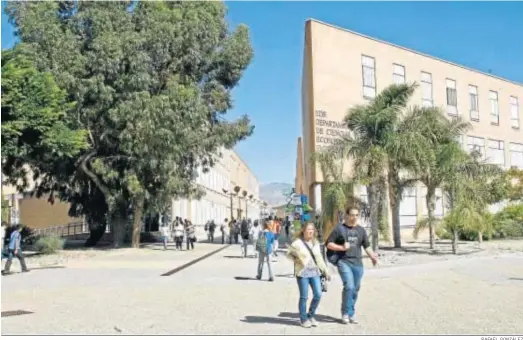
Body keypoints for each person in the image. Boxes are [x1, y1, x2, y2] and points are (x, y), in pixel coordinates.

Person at [325, 206, 378, 325]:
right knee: (349, 286)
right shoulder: (339, 229)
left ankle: (351, 312)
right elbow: (328, 244)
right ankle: (345, 313)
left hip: (358, 263)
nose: (354, 217)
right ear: (347, 216)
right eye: (352, 215)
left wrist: (372, 256)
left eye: (356, 215)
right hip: (344, 261)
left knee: (355, 288)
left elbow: (367, 246)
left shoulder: (361, 230)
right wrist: (341, 247)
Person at [287, 223, 330, 328]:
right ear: (303, 230)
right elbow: (289, 254)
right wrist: (296, 258)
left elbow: (319, 258)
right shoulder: (297, 243)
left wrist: (326, 271)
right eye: (308, 229)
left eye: (312, 229)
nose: (311, 231)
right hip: (302, 273)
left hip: (315, 272)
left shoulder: (315, 243)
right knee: (304, 297)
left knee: (318, 294)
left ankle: (310, 315)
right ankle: (303, 319)